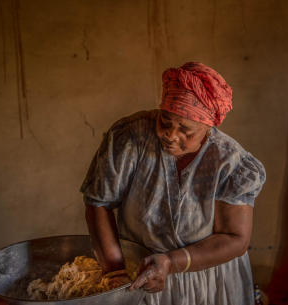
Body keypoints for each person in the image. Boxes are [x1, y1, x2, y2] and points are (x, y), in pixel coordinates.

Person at [81, 62, 266, 305]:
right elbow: (98, 203)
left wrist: (172, 262)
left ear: (208, 128)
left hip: (206, 277)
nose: (170, 135)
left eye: (185, 130)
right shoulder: (131, 137)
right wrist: (116, 271)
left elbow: (234, 238)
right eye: (165, 121)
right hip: (139, 272)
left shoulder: (231, 164)